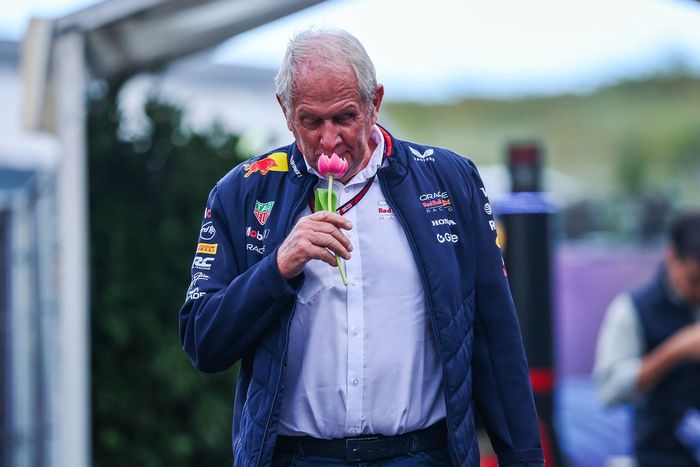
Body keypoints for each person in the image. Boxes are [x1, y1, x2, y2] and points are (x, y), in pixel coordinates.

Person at [179, 27, 543, 466]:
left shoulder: (450, 180)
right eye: (311, 121)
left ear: (375, 103)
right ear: (286, 112)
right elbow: (203, 340)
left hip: (419, 454)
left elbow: (497, 337)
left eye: (345, 117)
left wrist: (524, 458)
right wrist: (276, 268)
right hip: (302, 457)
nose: (329, 139)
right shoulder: (243, 191)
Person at [594, 212, 700, 466]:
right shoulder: (632, 309)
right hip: (662, 453)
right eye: (694, 280)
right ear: (672, 257)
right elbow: (609, 391)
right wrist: (676, 350)